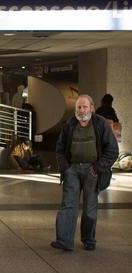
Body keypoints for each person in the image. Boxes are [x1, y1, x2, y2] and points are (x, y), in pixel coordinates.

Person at [51, 94, 118, 252]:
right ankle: (64, 240)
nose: (81, 110)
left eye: (85, 107)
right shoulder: (69, 124)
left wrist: (98, 167)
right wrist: (66, 168)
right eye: (79, 107)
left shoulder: (100, 124)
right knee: (68, 205)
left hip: (92, 170)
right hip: (72, 169)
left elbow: (113, 150)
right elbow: (60, 149)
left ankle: (88, 239)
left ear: (92, 108)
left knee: (89, 207)